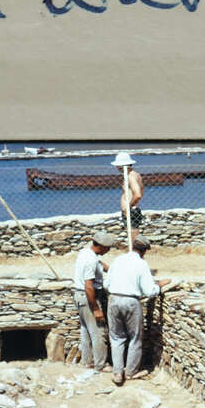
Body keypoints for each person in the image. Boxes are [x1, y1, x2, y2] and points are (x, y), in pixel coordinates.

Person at [104, 235, 170, 386]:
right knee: (135, 338)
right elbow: (149, 291)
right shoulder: (141, 264)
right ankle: (131, 371)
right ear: (144, 251)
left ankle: (117, 373)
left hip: (113, 299)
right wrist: (158, 286)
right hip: (131, 301)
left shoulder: (118, 260)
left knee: (116, 337)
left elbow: (107, 284)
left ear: (132, 246)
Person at [72, 230, 118, 372]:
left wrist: (113, 270)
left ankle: (88, 361)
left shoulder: (87, 253)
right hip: (88, 297)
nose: (109, 250)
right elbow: (89, 287)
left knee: (86, 329)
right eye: (108, 247)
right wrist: (96, 309)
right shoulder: (90, 261)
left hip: (79, 296)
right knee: (99, 332)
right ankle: (101, 364)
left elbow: (101, 264)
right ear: (101, 246)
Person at [112, 151, 144, 242]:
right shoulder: (136, 175)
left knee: (133, 239)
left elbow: (138, 194)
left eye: (118, 166)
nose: (117, 168)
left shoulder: (131, 176)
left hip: (131, 211)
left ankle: (135, 254)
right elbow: (142, 190)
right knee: (133, 237)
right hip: (132, 209)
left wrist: (128, 207)